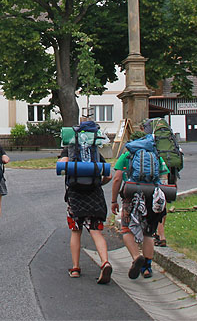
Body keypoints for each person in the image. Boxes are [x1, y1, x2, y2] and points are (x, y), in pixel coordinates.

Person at [58, 120, 113, 284]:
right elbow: (108, 175)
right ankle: (105, 262)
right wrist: (98, 183)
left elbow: (61, 165)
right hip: (94, 194)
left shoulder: (70, 148)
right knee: (96, 231)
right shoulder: (95, 151)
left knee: (76, 231)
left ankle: (75, 268)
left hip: (75, 196)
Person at [111, 135, 169, 279]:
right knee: (148, 232)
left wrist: (114, 200)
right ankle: (147, 268)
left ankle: (136, 257)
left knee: (126, 229)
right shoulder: (156, 156)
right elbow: (164, 179)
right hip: (151, 195)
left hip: (131, 195)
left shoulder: (127, 155)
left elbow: (117, 178)